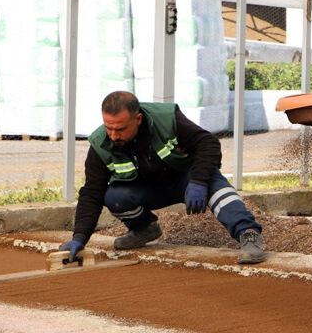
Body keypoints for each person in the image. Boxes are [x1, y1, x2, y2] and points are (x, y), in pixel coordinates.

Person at [58, 91, 266, 265]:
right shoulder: (101, 144)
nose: (113, 135)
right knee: (114, 197)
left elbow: (207, 143)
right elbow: (91, 192)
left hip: (187, 180)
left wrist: (199, 181)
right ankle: (144, 229)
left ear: (138, 119)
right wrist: (79, 237)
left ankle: (248, 234)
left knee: (219, 190)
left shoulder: (166, 119)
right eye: (108, 127)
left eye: (120, 129)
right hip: (147, 190)